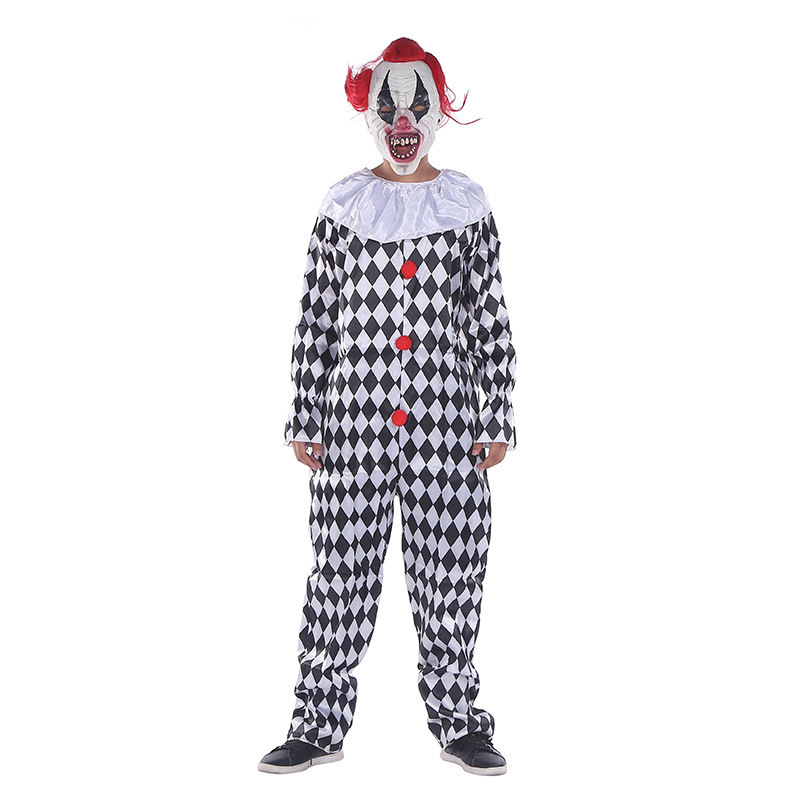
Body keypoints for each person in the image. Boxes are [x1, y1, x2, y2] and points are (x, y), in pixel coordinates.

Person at [259, 37, 517, 777]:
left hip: (448, 427)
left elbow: (488, 318)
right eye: (389, 105)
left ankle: (459, 721)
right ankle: (317, 724)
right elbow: (317, 317)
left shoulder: (467, 208)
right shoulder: (343, 207)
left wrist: (497, 414)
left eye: (417, 104)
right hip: (353, 425)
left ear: (439, 111)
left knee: (452, 573)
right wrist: (306, 413)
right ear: (369, 112)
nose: (404, 120)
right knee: (338, 573)